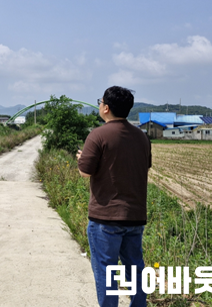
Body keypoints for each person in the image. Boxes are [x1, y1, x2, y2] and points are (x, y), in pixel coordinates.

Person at [76, 86, 151, 307]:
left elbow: (85, 172)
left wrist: (81, 159)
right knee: (135, 269)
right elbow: (142, 166)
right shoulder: (142, 137)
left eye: (100, 102)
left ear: (106, 108)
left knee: (106, 270)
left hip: (105, 217)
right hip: (135, 216)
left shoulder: (98, 135)